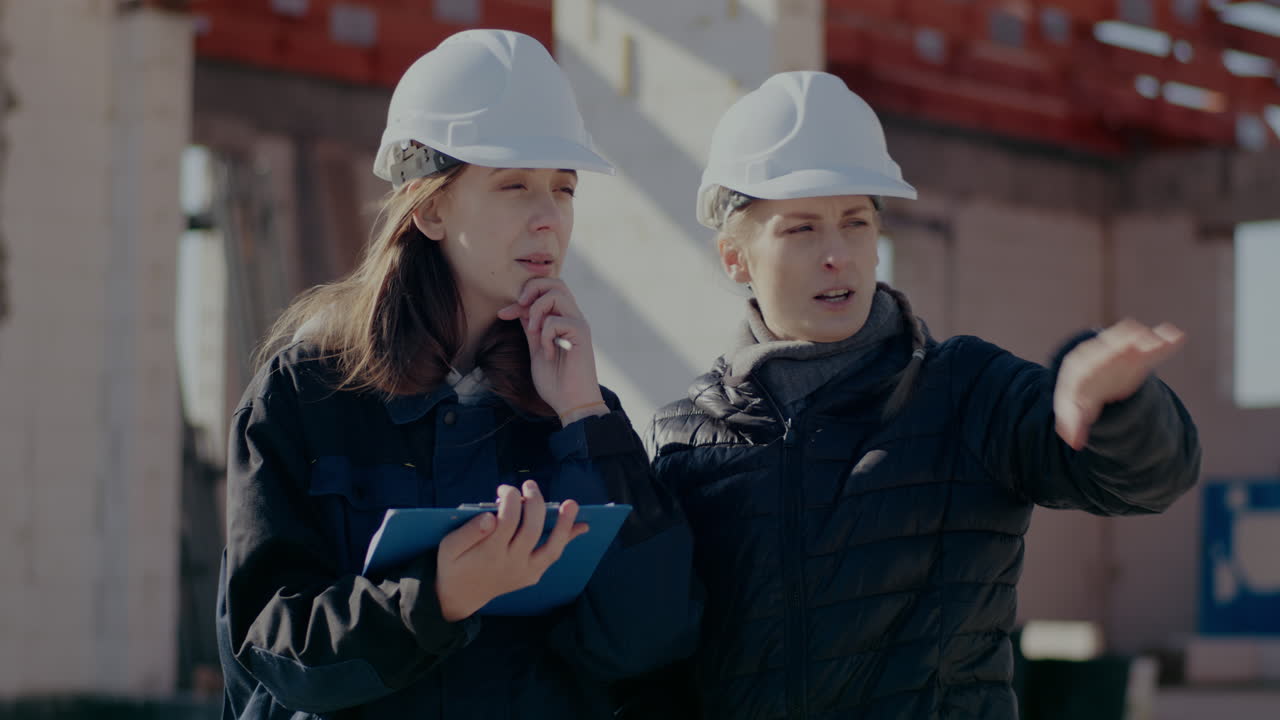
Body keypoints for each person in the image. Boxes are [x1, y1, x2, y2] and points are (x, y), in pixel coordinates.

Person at [635, 71, 1200, 720]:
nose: (837, 255)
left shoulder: (968, 391)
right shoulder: (686, 439)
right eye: (801, 230)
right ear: (735, 258)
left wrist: (1119, 411)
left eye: (855, 223)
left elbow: (1146, 480)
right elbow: (663, 665)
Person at [215, 29, 699, 720]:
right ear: (431, 208)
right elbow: (272, 646)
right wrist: (438, 595)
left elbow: (653, 642)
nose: (547, 218)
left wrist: (586, 419)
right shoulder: (307, 395)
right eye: (514, 186)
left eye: (563, 189)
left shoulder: (572, 410)